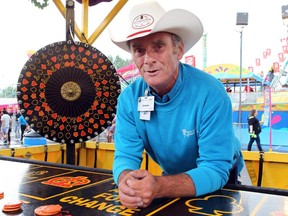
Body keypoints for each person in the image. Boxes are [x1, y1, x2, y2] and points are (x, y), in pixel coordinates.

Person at [109, 0, 243, 209]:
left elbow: (215, 169)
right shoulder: (128, 100)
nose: (148, 59)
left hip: (225, 179)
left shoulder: (211, 94)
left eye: (158, 46)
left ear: (179, 50)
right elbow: (125, 156)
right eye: (139, 50)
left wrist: (159, 186)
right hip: (170, 179)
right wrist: (127, 183)